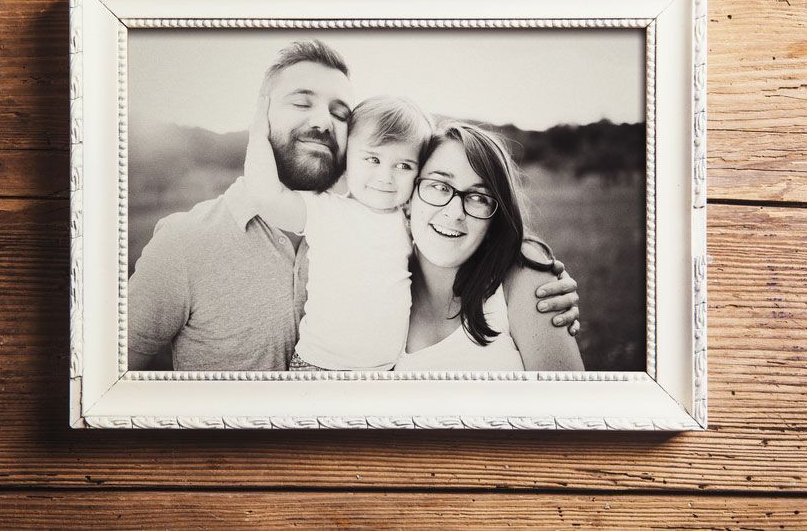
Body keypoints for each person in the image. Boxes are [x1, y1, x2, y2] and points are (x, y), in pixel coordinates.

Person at [128, 39, 581, 372]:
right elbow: (97, 379)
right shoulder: (187, 244)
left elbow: (473, 237)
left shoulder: (410, 232)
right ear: (261, 112)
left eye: (341, 113)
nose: (322, 121)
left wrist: (534, 274)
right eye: (300, 101)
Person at [245, 95, 431, 370]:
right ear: (346, 160)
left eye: (403, 165)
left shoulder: (411, 221)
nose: (386, 176)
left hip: (384, 371)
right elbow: (266, 197)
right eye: (372, 159)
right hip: (320, 366)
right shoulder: (326, 211)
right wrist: (259, 135)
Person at [394, 122, 584, 371]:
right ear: (408, 198)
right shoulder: (380, 285)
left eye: (478, 198)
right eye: (439, 187)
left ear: (495, 218)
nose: (455, 213)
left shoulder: (523, 275)